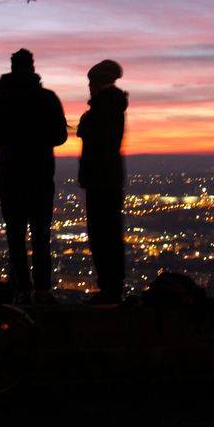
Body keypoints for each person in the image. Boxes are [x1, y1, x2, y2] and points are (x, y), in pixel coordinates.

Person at [0, 49, 67, 304]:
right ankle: (42, 290)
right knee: (41, 235)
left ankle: (22, 289)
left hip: (10, 176)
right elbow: (60, 137)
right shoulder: (47, 98)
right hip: (41, 176)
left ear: (11, 67)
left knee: (15, 236)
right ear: (32, 68)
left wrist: (12, 136)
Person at [77, 59, 128, 305]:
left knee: (102, 234)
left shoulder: (104, 108)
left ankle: (109, 288)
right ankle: (111, 286)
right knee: (107, 233)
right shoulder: (110, 106)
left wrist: (85, 125)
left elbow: (102, 140)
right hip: (107, 178)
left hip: (101, 179)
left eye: (91, 83)